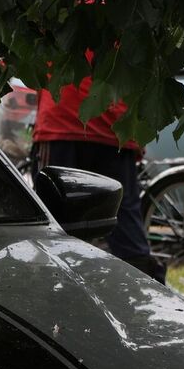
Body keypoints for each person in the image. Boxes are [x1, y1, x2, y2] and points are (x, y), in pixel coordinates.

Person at [34, 60, 164, 281]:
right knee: (124, 217)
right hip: (113, 125)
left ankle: (55, 290)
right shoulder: (130, 25)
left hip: (62, 120)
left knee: (53, 223)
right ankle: (148, 296)